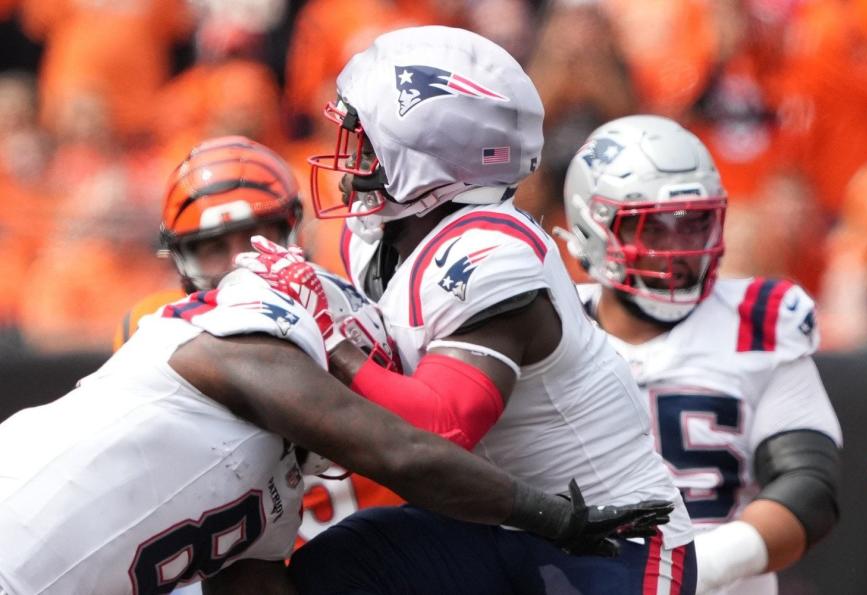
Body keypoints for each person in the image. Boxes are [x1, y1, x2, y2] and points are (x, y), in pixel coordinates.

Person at [244, 25, 696, 594]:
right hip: (490, 523)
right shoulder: (375, 236)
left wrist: (333, 342)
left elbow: (438, 427)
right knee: (337, 566)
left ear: (427, 158)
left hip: (606, 536)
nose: (349, 158)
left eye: (364, 141)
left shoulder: (492, 254)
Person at [0, 246, 669, 594]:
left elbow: (257, 587)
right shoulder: (243, 340)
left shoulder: (277, 501)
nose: (368, 392)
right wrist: (551, 517)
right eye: (359, 369)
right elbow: (403, 451)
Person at [559, 114, 843, 594]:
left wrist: (697, 567)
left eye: (692, 225)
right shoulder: (547, 326)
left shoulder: (758, 324)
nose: (679, 249)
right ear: (595, 228)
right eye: (654, 229)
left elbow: (809, 487)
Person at [113, 135, 407, 551]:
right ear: (181, 259)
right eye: (215, 247)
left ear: (292, 229)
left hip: (382, 540)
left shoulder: (348, 301)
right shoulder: (151, 328)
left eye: (256, 235)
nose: (243, 263)